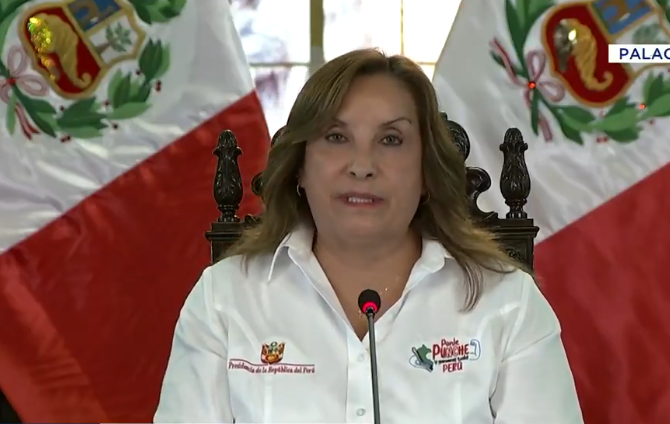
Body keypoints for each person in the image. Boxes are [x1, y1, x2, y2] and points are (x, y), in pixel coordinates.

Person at [154, 48, 584, 423]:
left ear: (426, 171)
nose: (362, 166)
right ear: (300, 166)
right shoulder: (225, 298)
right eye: (336, 137)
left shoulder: (505, 301)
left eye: (391, 139)